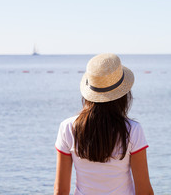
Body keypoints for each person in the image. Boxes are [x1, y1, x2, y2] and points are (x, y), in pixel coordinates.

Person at [54, 53, 154, 195]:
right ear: (124, 94)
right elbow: (144, 191)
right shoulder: (132, 130)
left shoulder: (68, 128)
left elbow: (60, 191)